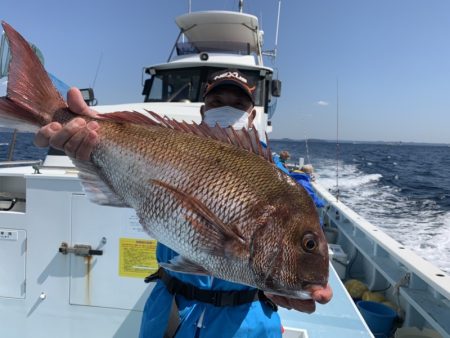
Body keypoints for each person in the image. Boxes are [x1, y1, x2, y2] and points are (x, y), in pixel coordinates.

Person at [35, 69, 332, 337]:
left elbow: (302, 197)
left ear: (252, 115)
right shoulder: (176, 145)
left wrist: (300, 275)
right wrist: (86, 139)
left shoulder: (280, 180)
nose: (227, 110)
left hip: (246, 324)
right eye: (218, 103)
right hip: (171, 312)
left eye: (238, 105)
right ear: (203, 111)